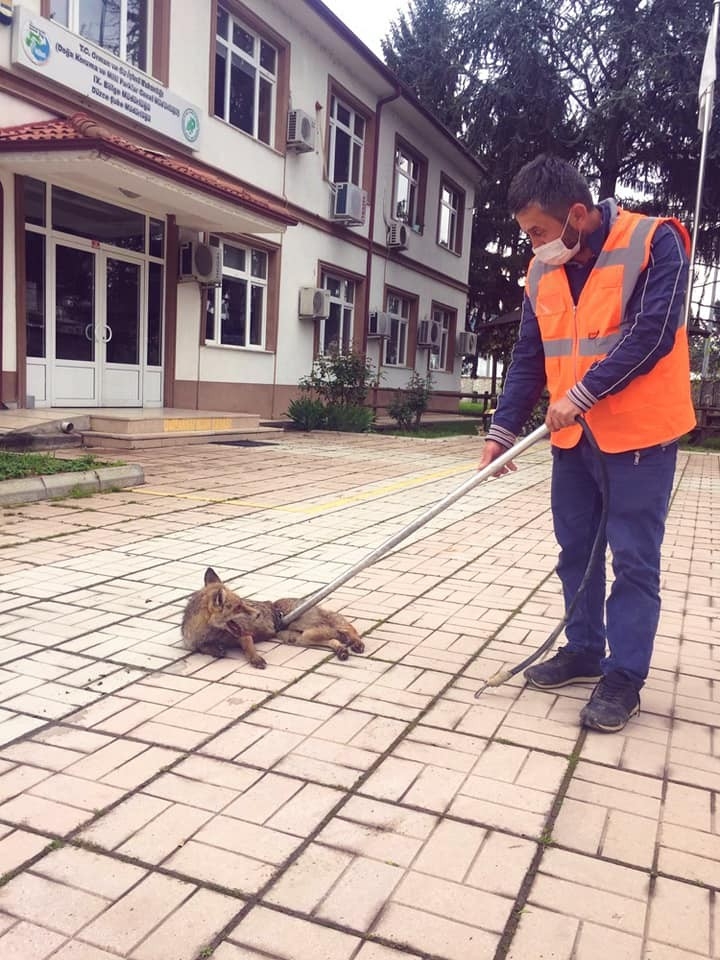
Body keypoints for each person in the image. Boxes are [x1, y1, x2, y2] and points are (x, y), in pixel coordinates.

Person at [479, 154, 695, 733]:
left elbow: (653, 335)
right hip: (571, 439)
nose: (536, 244)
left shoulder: (655, 242)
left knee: (632, 559)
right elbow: (529, 355)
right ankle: (583, 649)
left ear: (577, 214)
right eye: (529, 235)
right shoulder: (542, 272)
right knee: (575, 549)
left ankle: (624, 676)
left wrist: (582, 392)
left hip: (640, 436)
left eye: (540, 232)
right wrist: (502, 431)